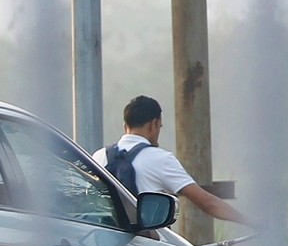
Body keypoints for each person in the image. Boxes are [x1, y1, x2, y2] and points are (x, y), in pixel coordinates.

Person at [99, 93, 250, 232]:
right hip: (148, 245)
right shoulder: (161, 159)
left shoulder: (99, 156)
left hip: (105, 242)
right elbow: (208, 203)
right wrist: (249, 221)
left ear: (125, 125)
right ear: (154, 124)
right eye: (160, 127)